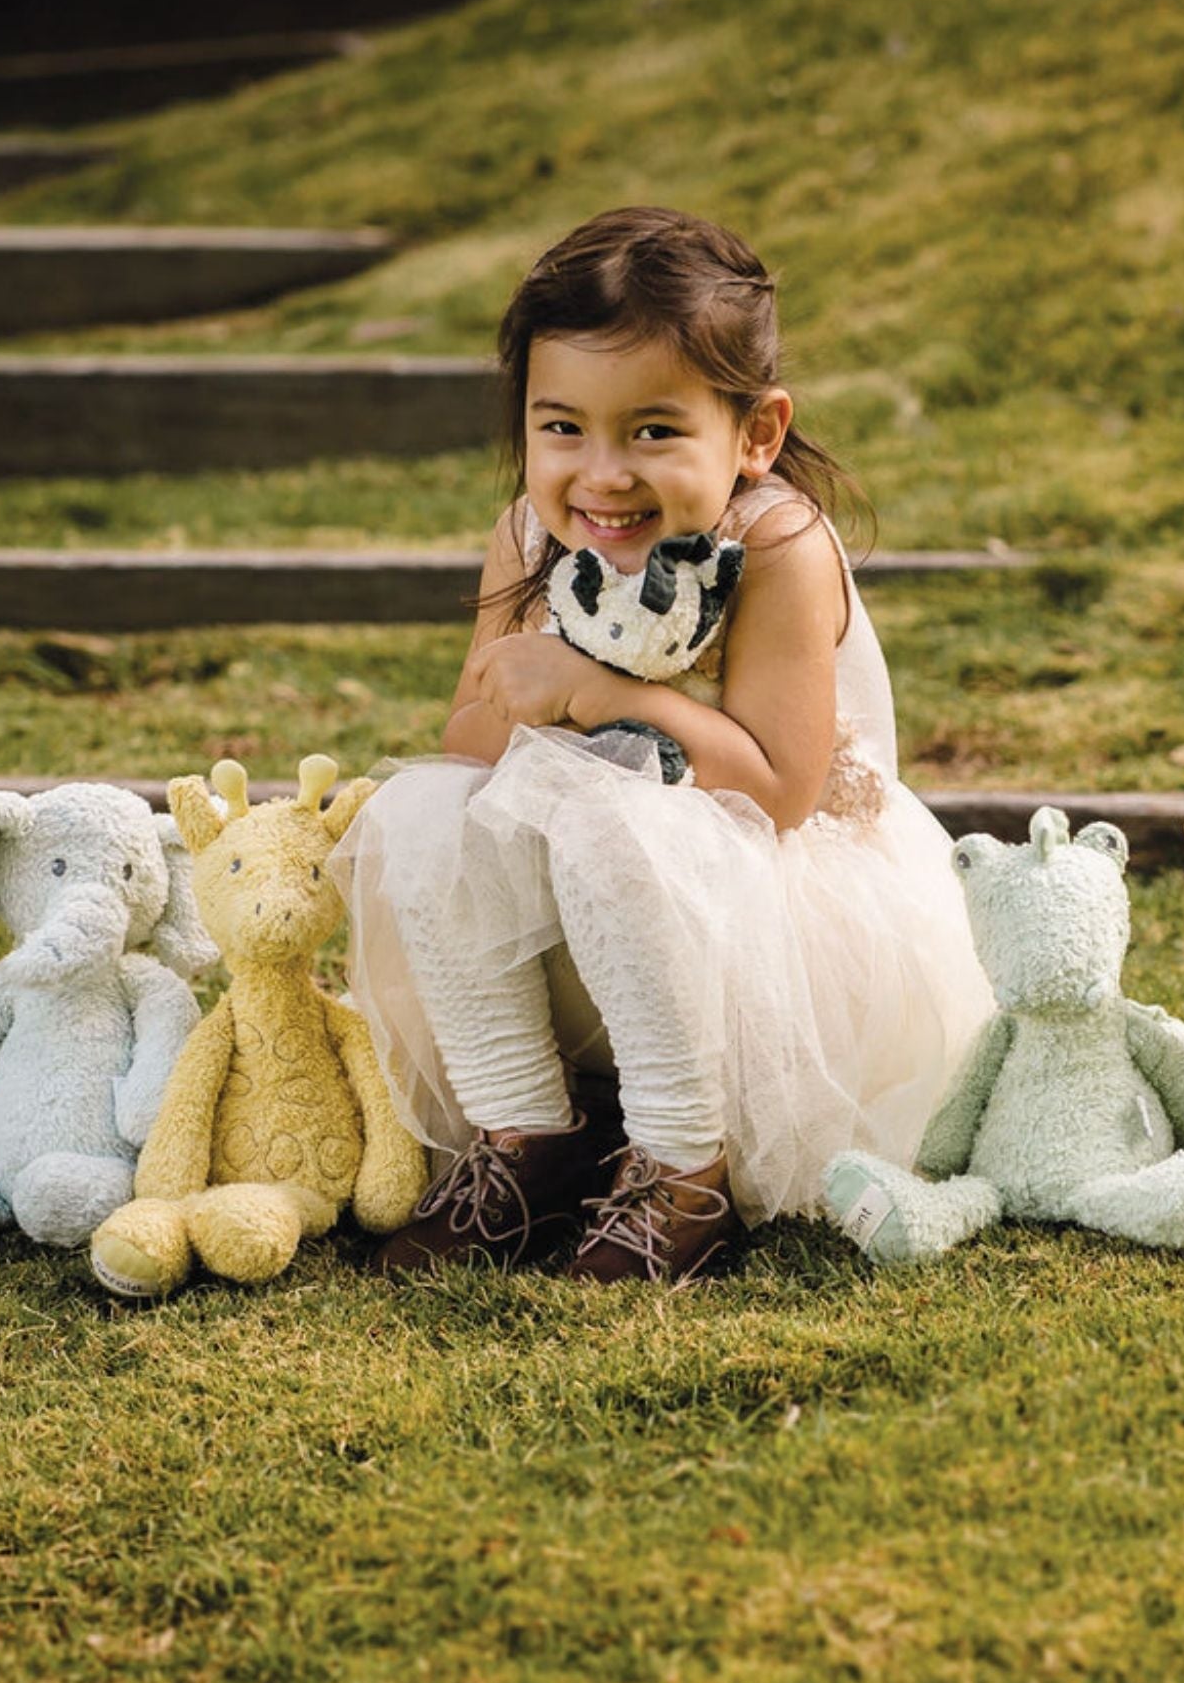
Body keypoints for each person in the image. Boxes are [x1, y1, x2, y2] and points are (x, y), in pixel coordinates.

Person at [331, 206, 991, 1283]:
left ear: (756, 434)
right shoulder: (530, 535)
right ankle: (528, 1135)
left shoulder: (773, 543)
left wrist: (599, 691)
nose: (603, 474)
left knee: (612, 820)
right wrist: (535, 688)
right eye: (562, 428)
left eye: (652, 431)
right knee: (426, 810)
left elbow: (779, 789)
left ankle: (684, 1167)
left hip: (774, 918)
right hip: (603, 910)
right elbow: (468, 739)